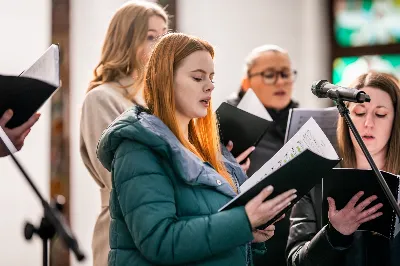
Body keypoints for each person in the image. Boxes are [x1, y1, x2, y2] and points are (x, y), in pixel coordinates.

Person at [96, 33, 297, 266]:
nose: (210, 86)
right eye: (198, 77)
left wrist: (247, 234)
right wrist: (243, 220)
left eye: (211, 77)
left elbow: (204, 226)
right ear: (165, 79)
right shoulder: (138, 148)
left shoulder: (202, 149)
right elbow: (160, 242)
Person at [79, 1, 168, 265]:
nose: (161, 45)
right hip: (122, 234)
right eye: (151, 37)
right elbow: (121, 176)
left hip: (161, 230)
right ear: (125, 41)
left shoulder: (157, 102)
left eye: (164, 36)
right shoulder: (102, 98)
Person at [286, 72, 400, 266]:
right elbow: (295, 262)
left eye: (380, 114)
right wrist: (334, 234)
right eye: (359, 113)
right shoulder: (315, 178)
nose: (368, 124)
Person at [227, 44, 298, 266]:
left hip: (294, 242)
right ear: (246, 82)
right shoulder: (227, 121)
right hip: (247, 243)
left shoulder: (302, 119)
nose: (281, 82)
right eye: (269, 75)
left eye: (286, 74)